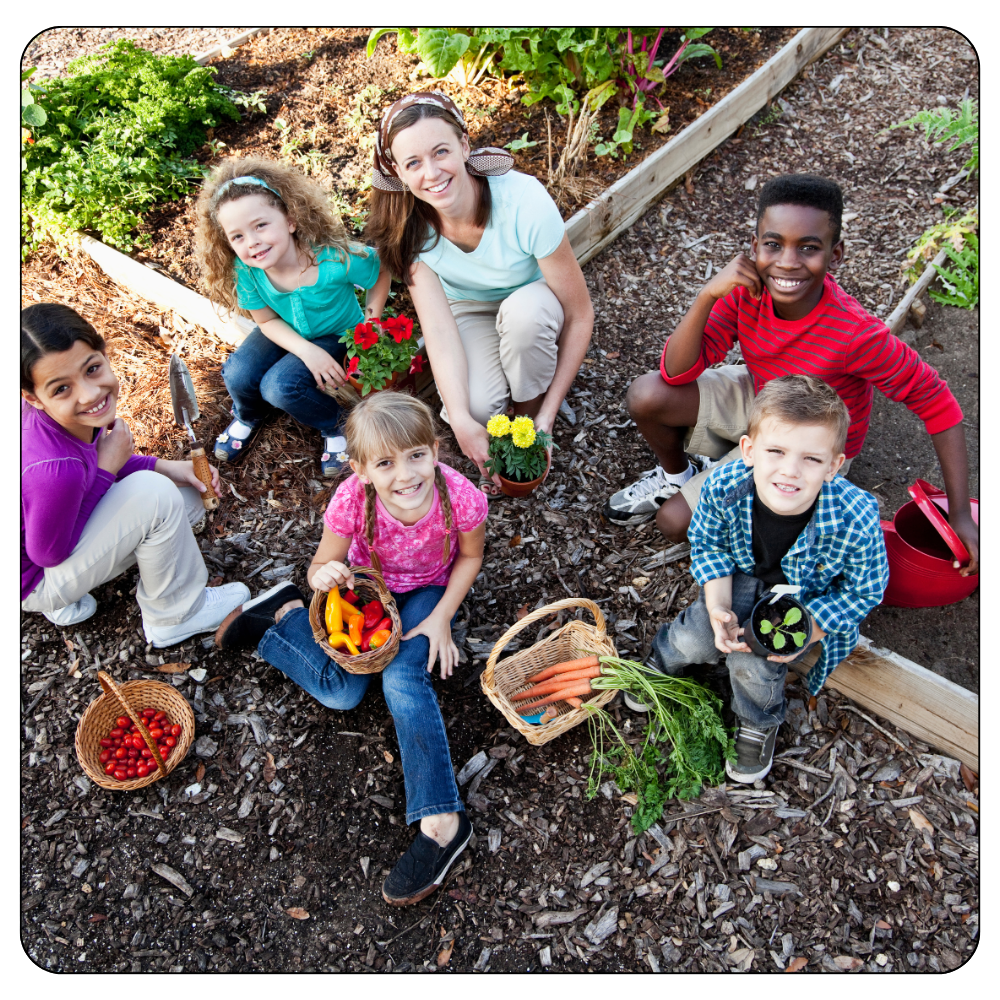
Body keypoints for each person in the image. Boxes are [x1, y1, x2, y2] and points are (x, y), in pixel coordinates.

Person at [604, 174, 978, 576]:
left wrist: (959, 513)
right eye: (773, 244)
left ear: (836, 256)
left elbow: (937, 402)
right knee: (647, 394)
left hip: (810, 436)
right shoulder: (746, 293)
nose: (787, 261)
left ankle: (774, 527)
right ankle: (680, 476)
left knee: (675, 523)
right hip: (763, 395)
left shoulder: (856, 335)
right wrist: (706, 296)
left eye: (809, 248)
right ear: (754, 248)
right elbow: (676, 374)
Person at [214, 393, 487, 905]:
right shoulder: (350, 500)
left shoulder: (461, 496)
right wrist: (325, 577)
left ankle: (442, 822)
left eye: (416, 456)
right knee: (343, 694)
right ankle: (281, 622)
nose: (405, 475)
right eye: (385, 463)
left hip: (428, 590)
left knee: (403, 677)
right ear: (361, 470)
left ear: (434, 450)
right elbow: (321, 567)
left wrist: (441, 618)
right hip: (364, 590)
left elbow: (470, 558)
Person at [635, 376, 888, 783]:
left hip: (802, 600)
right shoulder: (723, 486)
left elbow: (865, 589)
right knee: (695, 637)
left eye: (811, 459)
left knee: (754, 664)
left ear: (833, 466)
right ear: (749, 451)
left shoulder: (856, 515)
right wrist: (718, 605)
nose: (790, 471)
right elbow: (709, 547)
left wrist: (807, 629)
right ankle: (663, 659)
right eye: (776, 451)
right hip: (737, 580)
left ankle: (757, 720)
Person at [364, 91, 594, 493]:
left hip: (534, 300)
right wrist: (462, 419)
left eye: (441, 152)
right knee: (474, 410)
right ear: (398, 173)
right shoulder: (409, 229)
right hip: (469, 309)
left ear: (465, 145)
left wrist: (547, 416)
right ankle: (509, 396)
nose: (432, 173)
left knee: (525, 321)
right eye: (414, 163)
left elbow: (579, 315)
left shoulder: (523, 201)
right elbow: (438, 331)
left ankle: (528, 411)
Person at [20, 303, 249, 643]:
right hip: (35, 579)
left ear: (103, 352)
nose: (90, 393)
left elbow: (88, 464)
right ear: (33, 397)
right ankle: (174, 615)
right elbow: (48, 553)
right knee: (155, 496)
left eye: (92, 369)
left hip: (43, 530)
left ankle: (68, 598)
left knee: (186, 498)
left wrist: (170, 467)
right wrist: (107, 469)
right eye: (61, 388)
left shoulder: (60, 417)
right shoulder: (54, 471)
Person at [194, 157, 391, 476]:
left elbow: (380, 269)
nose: (252, 242)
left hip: (336, 333)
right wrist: (304, 350)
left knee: (281, 387)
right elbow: (267, 321)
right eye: (238, 236)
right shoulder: (246, 271)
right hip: (284, 330)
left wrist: (372, 320)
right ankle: (248, 414)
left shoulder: (331, 259)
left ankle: (335, 425)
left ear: (290, 220)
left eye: (260, 225)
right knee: (237, 373)